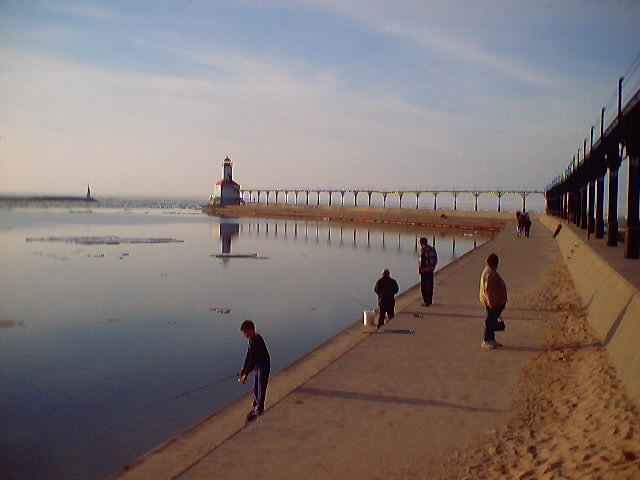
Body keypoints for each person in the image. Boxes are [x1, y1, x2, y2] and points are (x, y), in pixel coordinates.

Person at [238, 320, 271, 422]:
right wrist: (244, 368)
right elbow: (249, 355)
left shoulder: (257, 340)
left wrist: (246, 374)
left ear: (251, 330)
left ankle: (259, 410)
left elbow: (253, 359)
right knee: (256, 387)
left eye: (245, 332)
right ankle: (255, 407)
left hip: (263, 365)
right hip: (258, 365)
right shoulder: (251, 340)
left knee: (260, 388)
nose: (244, 335)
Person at [479, 253, 508, 349]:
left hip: (494, 301)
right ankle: (487, 340)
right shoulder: (491, 274)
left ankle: (491, 339)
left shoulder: (488, 271)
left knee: (491, 320)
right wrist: (492, 302)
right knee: (490, 320)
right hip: (493, 302)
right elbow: (489, 291)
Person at [418, 237, 438, 306]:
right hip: (430, 270)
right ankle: (429, 300)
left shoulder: (423, 250)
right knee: (430, 285)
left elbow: (422, 261)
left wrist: (421, 269)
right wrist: (432, 268)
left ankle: (425, 301)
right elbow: (435, 259)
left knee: (423, 286)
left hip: (424, 271)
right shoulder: (432, 249)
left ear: (421, 243)